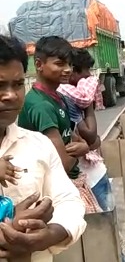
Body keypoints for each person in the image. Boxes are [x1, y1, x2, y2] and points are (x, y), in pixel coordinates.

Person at [0, 35, 86, 260]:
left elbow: (69, 202)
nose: (10, 95)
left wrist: (48, 236)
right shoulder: (40, 106)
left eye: (18, 84)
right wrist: (10, 227)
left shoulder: (38, 145)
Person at [17, 36, 99, 213]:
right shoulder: (41, 106)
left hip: (69, 181)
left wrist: (83, 145)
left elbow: (73, 135)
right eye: (60, 64)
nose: (68, 70)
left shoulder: (59, 97)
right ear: (39, 65)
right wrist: (83, 149)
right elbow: (63, 163)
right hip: (57, 190)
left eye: (69, 64)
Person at [58, 48, 112, 211]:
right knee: (103, 224)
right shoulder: (69, 98)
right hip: (87, 177)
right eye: (85, 70)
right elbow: (91, 136)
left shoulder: (70, 95)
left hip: (93, 173)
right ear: (73, 71)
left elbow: (93, 141)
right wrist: (88, 104)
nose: (88, 75)